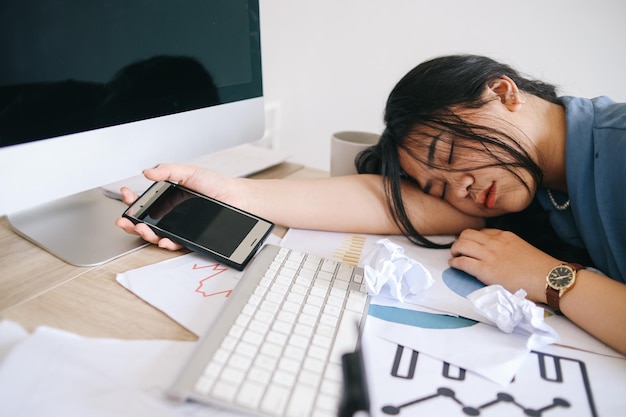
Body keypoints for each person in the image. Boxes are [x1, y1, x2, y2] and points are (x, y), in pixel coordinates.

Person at [116, 54, 626, 354]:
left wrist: (554, 278)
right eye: (435, 184)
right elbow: (390, 203)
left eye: (447, 152)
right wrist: (234, 193)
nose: (459, 190)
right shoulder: (532, 182)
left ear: (502, 92)